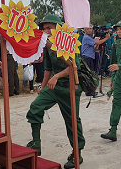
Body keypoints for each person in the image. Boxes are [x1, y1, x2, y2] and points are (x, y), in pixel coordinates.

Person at [26, 15, 85, 169]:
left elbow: (73, 66)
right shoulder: (47, 45)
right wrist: (43, 87)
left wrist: (57, 76)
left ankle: (77, 152)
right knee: (35, 108)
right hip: (53, 87)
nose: (46, 31)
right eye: (44, 28)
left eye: (49, 28)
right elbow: (48, 69)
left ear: (58, 27)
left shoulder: (70, 42)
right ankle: (36, 144)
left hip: (69, 88)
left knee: (72, 122)